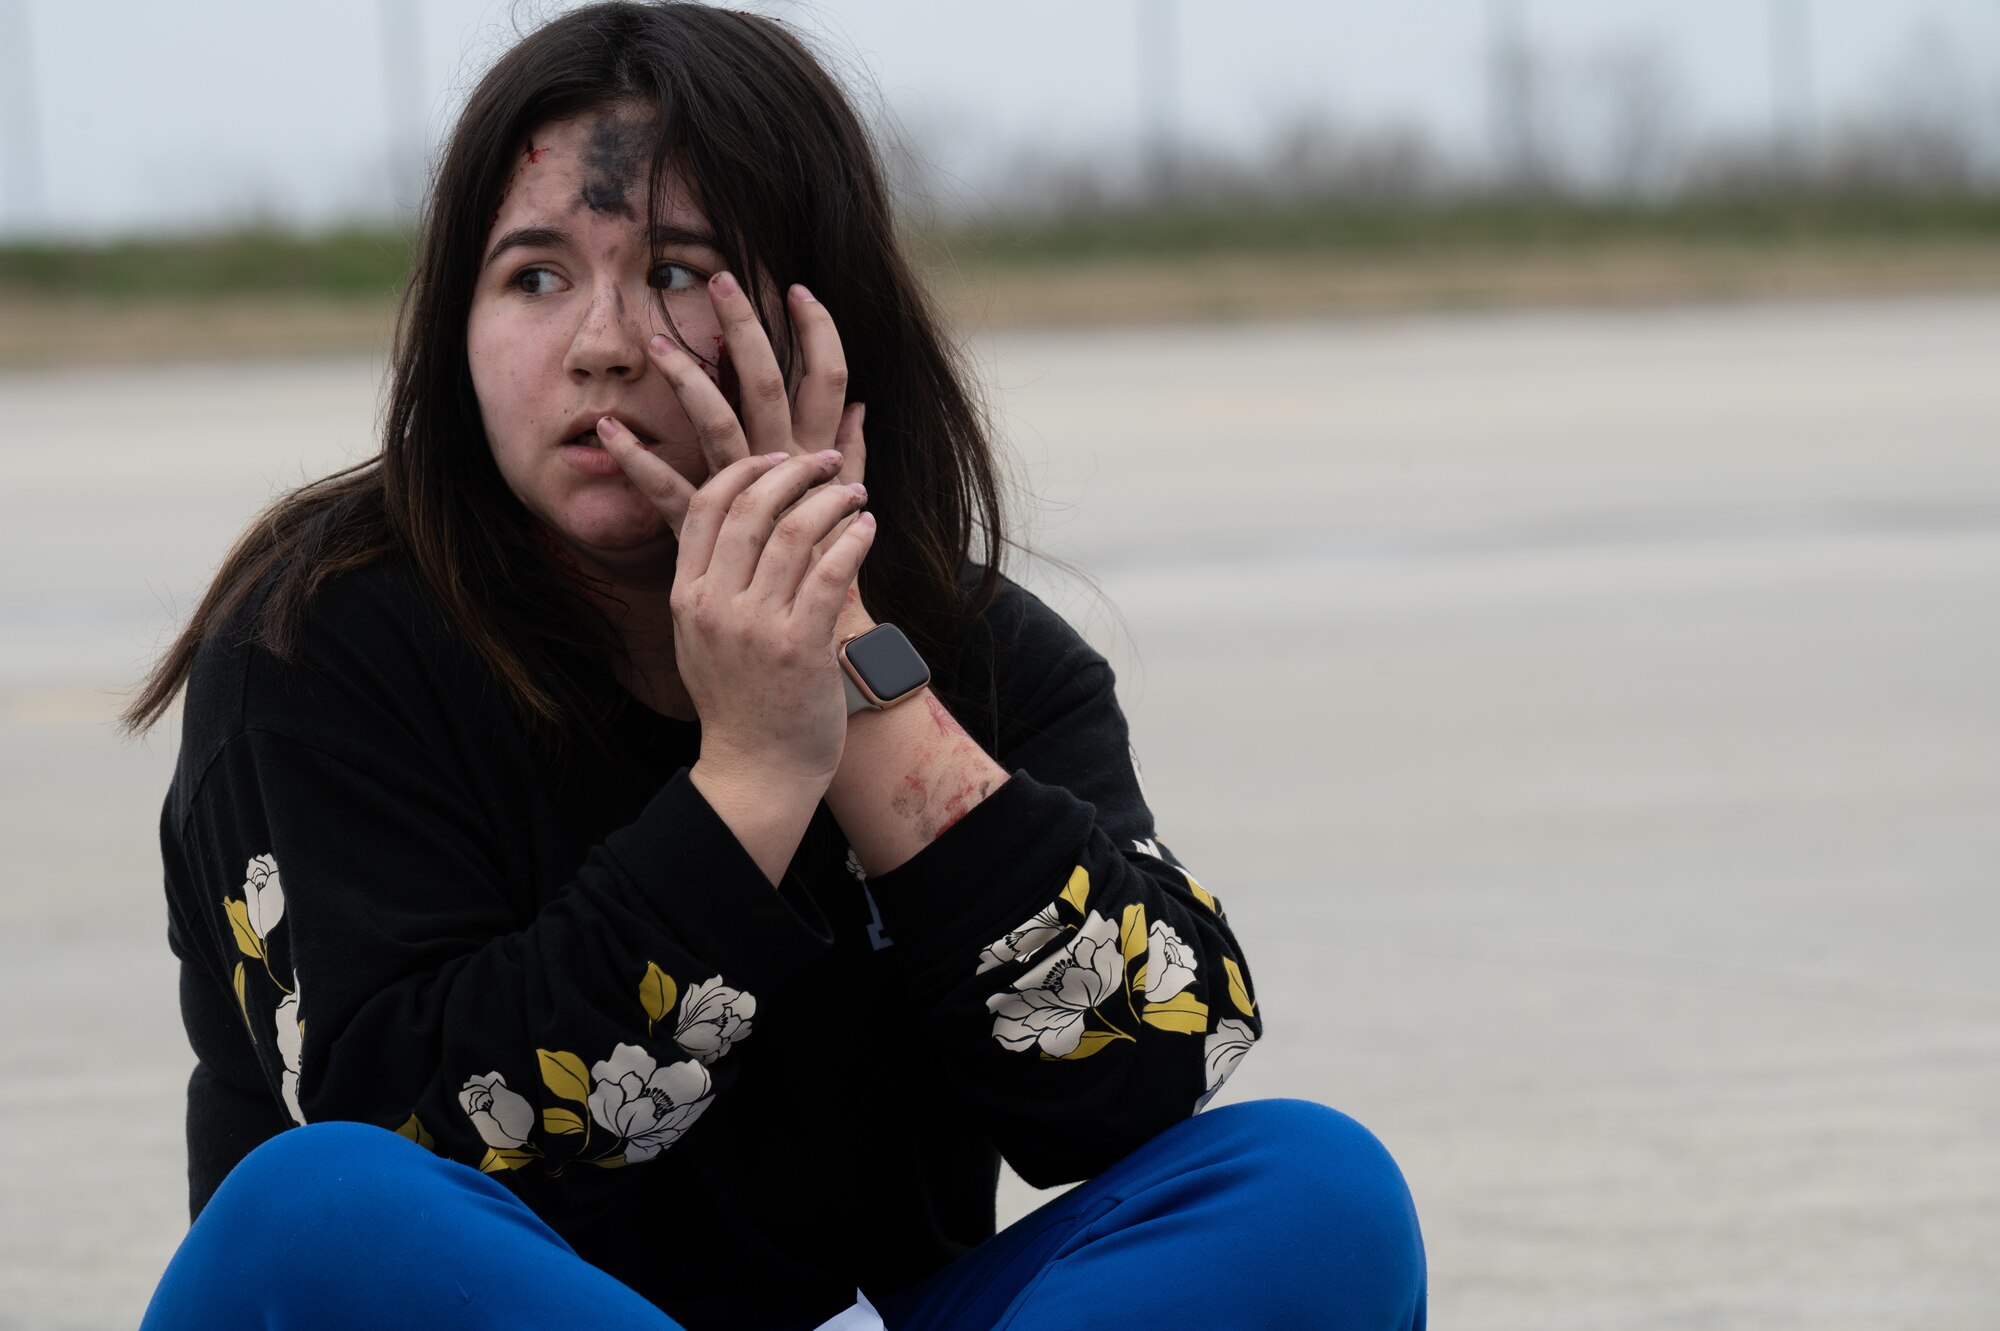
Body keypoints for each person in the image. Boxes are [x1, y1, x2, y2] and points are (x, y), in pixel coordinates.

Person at [126, 4, 1425, 1328]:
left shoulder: (970, 651)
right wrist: (747, 777)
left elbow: (1148, 1071)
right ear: (455, 336)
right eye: (533, 276)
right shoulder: (319, 641)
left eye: (680, 270)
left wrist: (853, 680)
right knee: (317, 1208)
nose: (605, 342)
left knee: (1314, 1186)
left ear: (824, 328)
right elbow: (415, 1140)